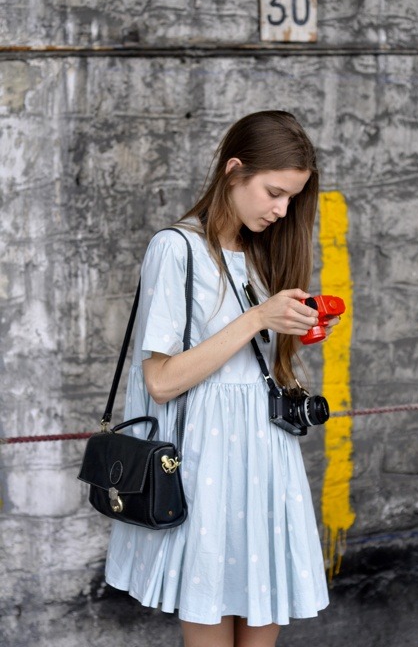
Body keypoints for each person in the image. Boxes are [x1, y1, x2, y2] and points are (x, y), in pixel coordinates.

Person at [105, 110, 340, 647]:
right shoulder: (176, 249)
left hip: (265, 464)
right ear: (234, 171)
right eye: (274, 192)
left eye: (292, 199)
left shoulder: (259, 254)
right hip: (206, 468)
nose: (282, 211)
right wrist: (258, 319)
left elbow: (242, 365)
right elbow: (161, 381)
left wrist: (292, 333)